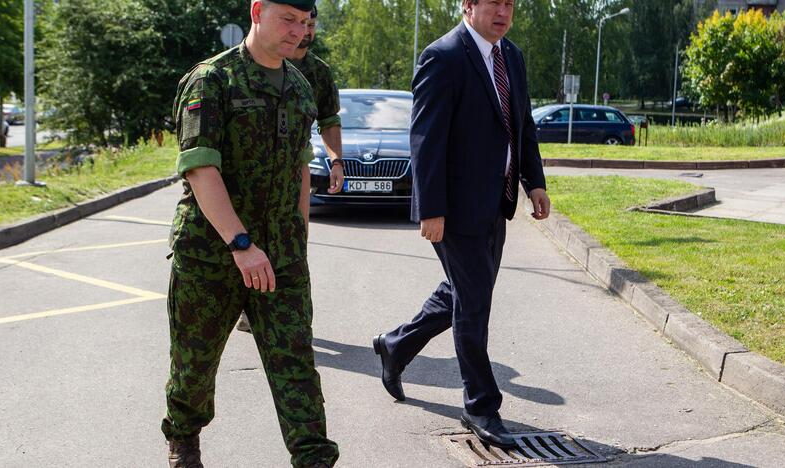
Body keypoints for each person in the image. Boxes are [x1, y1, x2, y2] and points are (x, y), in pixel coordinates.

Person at [162, 1, 338, 467]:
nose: (298, 32)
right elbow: (200, 168)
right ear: (258, 11)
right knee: (194, 367)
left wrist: (298, 239)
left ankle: (315, 458)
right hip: (212, 256)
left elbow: (302, 165)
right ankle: (183, 441)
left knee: (296, 367)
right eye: (288, 20)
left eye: (305, 24)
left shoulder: (301, 87)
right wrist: (241, 244)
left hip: (280, 258)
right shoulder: (211, 80)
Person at [372, 0, 550, 450]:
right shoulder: (443, 56)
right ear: (468, 6)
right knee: (473, 304)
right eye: (494, 2)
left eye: (510, 3)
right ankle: (481, 405)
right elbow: (426, 138)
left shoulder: (512, 56)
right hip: (453, 209)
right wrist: (431, 208)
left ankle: (396, 345)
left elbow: (521, 124)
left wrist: (535, 182)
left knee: (463, 290)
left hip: (497, 201)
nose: (504, 11)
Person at [237, 4, 344, 333]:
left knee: (295, 248)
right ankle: (246, 308)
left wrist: (336, 160)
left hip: (292, 172)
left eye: (309, 23)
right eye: (296, 21)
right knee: (245, 246)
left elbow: (329, 120)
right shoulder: (239, 70)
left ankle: (293, 326)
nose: (304, 31)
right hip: (246, 183)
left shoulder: (317, 73)